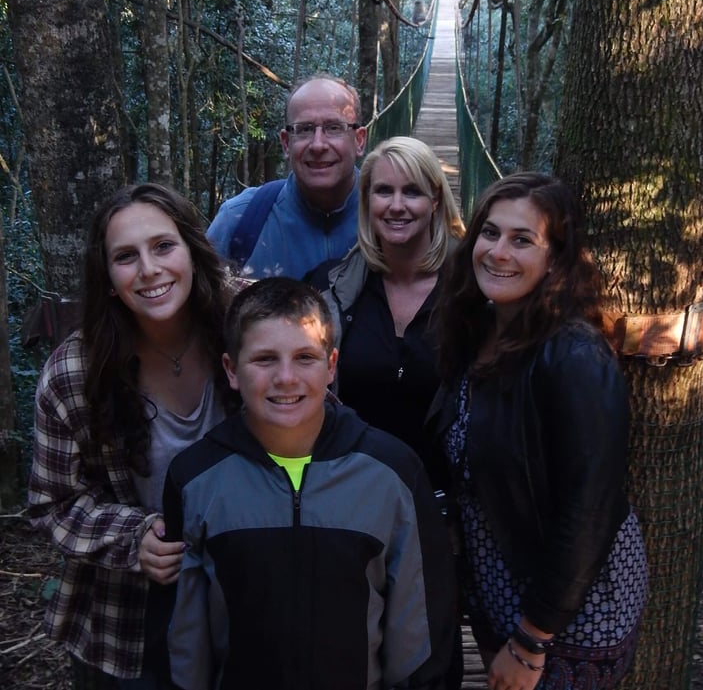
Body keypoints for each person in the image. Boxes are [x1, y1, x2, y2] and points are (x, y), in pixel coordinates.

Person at [162, 277, 457, 690]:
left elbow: (421, 630)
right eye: (264, 359)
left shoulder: (391, 473)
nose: (286, 378)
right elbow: (184, 636)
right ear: (231, 369)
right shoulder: (195, 479)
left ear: (332, 365)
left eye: (305, 357)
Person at [431, 172, 648, 690]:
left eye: (522, 240)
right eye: (490, 233)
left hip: (571, 611)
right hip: (501, 582)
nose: (498, 251)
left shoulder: (573, 354)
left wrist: (532, 641)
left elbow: (588, 510)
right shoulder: (479, 329)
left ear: (556, 260)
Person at [27, 183, 234, 689]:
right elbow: (51, 504)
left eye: (163, 246)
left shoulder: (249, 325)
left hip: (247, 590)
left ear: (191, 249)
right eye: (126, 257)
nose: (149, 269)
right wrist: (133, 537)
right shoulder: (75, 372)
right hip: (130, 618)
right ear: (108, 278)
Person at [308, 136, 465, 491]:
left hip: (446, 508)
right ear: (367, 200)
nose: (396, 206)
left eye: (412, 192)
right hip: (350, 498)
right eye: (383, 191)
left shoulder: (472, 289)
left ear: (435, 199)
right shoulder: (329, 287)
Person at [207, 73, 367, 279]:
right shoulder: (239, 219)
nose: (318, 145)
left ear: (359, 140)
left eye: (334, 128)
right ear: (286, 143)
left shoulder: (392, 217)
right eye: (304, 129)